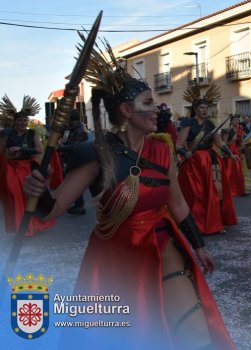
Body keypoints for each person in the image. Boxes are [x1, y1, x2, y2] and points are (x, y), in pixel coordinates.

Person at [23, 42, 236, 349]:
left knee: (195, 333)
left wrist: (199, 245)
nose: (157, 109)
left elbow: (176, 202)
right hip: (115, 258)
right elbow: (54, 208)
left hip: (163, 242)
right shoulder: (98, 153)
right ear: (126, 110)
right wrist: (39, 193)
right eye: (148, 102)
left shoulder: (163, 149)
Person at [176, 84, 239, 235]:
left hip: (211, 159)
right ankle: (197, 224)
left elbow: (220, 143)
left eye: (207, 108)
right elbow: (178, 145)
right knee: (197, 194)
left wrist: (230, 154)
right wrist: (185, 152)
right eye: (202, 108)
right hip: (193, 162)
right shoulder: (188, 124)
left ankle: (215, 223)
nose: (205, 110)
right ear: (195, 109)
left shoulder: (211, 124)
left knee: (216, 191)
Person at [0, 94, 57, 236]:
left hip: (27, 169)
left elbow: (39, 149)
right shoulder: (8, 133)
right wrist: (7, 152)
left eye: (25, 120)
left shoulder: (32, 133)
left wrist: (21, 149)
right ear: (14, 121)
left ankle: (31, 226)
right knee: (14, 196)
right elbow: (1, 151)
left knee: (29, 197)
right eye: (19, 120)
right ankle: (20, 227)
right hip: (11, 169)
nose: (22, 122)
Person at [57, 109, 89, 215]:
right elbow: (66, 140)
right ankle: (78, 204)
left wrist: (60, 148)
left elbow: (75, 146)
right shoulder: (69, 128)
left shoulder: (79, 129)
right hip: (69, 158)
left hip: (78, 159)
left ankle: (80, 206)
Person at [221, 115, 250, 197]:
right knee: (229, 171)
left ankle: (240, 190)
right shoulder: (228, 130)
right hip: (229, 152)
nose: (237, 121)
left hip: (237, 152)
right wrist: (228, 150)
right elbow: (223, 143)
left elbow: (242, 143)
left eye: (238, 120)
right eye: (235, 120)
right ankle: (228, 190)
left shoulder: (240, 130)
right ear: (231, 122)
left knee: (238, 171)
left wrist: (244, 148)